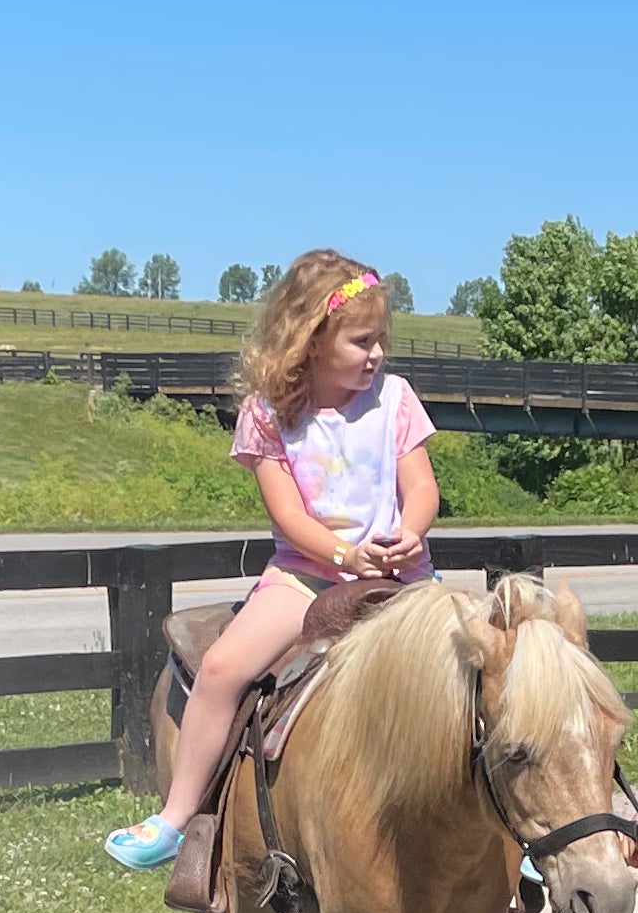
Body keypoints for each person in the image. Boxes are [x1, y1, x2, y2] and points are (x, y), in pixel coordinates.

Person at [104, 251, 438, 873]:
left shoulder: (394, 399)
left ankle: (521, 837)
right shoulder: (269, 414)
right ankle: (177, 817)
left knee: (483, 666)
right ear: (312, 340)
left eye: (380, 340)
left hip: (399, 575)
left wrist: (411, 533)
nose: (377, 354)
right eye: (361, 341)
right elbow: (287, 514)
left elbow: (420, 485)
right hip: (305, 577)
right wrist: (345, 554)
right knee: (221, 669)